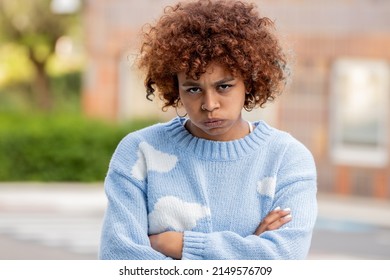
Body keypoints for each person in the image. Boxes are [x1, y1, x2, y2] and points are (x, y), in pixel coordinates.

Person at [99, 0, 317, 260]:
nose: (209, 104)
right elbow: (120, 260)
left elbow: (284, 258)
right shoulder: (139, 152)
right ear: (174, 87)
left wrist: (182, 246)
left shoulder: (287, 159)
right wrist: (249, 248)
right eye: (193, 89)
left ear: (249, 81)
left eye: (224, 86)